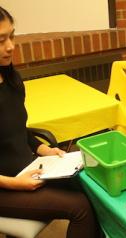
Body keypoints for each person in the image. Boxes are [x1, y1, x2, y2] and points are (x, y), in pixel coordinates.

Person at [0, 6, 103, 238]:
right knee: (81, 208)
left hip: (29, 169)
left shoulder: (10, 78)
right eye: (0, 40)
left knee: (90, 186)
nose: (10, 46)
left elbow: (16, 129)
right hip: (6, 184)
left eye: (12, 36)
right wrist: (14, 184)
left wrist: (44, 149)